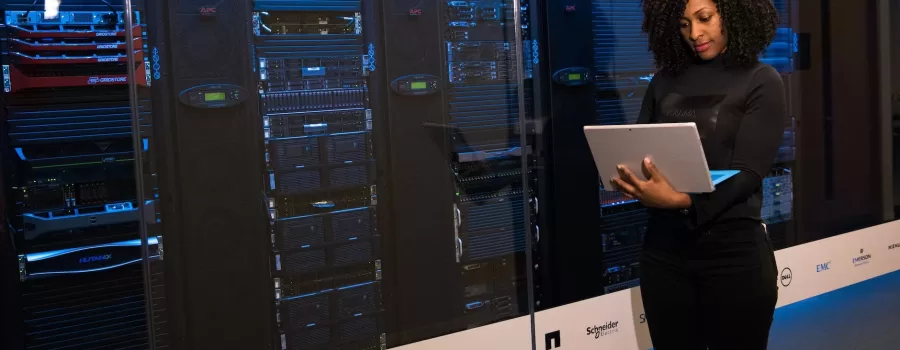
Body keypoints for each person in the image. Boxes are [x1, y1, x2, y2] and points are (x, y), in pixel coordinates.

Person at [609, 0, 785, 349]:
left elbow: (747, 173)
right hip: (664, 255)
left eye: (704, 19)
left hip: (734, 258)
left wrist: (682, 200)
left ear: (734, 14)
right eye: (683, 24)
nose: (695, 33)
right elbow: (640, 148)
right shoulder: (663, 82)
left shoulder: (761, 80)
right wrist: (633, 180)